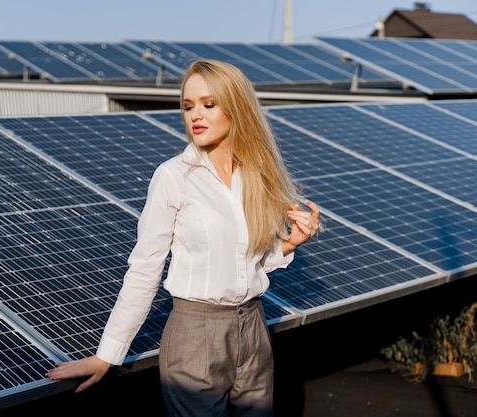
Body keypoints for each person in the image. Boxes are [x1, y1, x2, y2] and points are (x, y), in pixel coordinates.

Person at [46, 59, 321, 416]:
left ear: (237, 106)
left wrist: (289, 244)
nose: (196, 115)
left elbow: (245, 260)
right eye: (188, 106)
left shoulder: (254, 175)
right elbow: (145, 269)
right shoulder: (173, 177)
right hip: (195, 334)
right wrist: (107, 355)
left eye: (209, 104)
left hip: (254, 326)